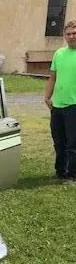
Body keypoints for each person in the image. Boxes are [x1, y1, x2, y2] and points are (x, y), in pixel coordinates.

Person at [45, 20, 76, 184]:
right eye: (68, 34)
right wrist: (47, 97)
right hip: (57, 105)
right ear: (64, 36)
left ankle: (72, 174)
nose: (71, 37)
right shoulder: (59, 54)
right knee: (59, 141)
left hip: (74, 106)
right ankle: (61, 171)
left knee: (73, 143)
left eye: (74, 33)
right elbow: (52, 77)